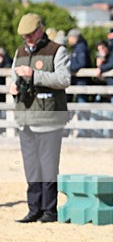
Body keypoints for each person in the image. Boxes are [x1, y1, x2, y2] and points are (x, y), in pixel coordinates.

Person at [10, 13, 70, 223]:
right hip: (25, 117)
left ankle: (49, 210)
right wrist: (15, 86)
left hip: (49, 118)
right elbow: (14, 76)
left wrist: (34, 75)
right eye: (24, 36)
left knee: (48, 166)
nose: (26, 39)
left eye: (29, 35)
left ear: (40, 30)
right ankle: (33, 208)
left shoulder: (57, 50)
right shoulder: (19, 51)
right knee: (31, 166)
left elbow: (64, 79)